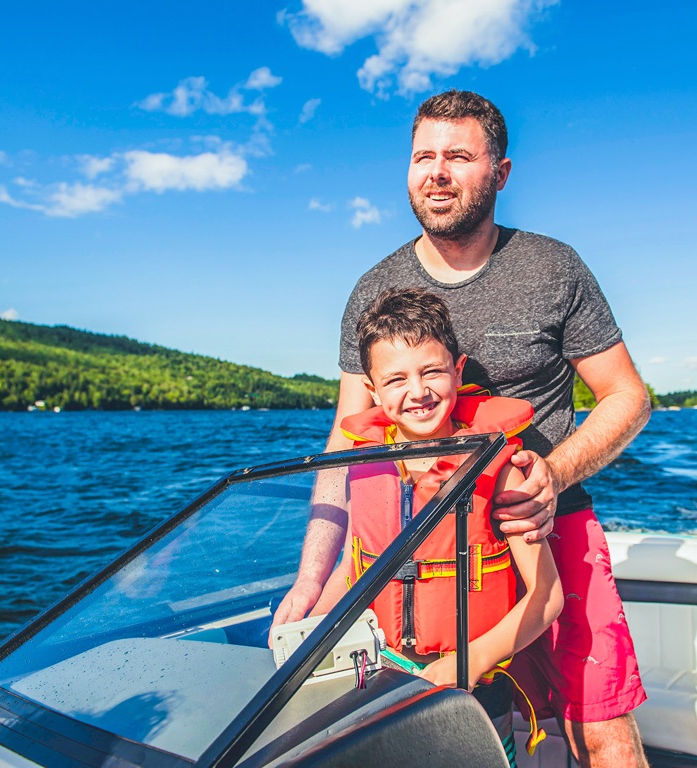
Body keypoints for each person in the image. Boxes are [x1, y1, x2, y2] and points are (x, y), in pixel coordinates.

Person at [272, 90, 652, 768]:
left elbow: (627, 397)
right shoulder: (373, 289)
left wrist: (553, 476)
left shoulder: (553, 269)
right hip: (416, 540)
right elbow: (344, 441)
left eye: (458, 156)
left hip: (546, 522)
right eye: (423, 156)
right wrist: (312, 576)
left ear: (500, 173)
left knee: (601, 729)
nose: (437, 171)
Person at [322, 286, 563, 766]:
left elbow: (548, 595)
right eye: (396, 379)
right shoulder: (365, 466)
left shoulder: (500, 467)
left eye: (432, 371)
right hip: (379, 682)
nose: (418, 391)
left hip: (471, 694)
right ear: (372, 390)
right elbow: (353, 568)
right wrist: (315, 631)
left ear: (457, 370)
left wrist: (470, 662)